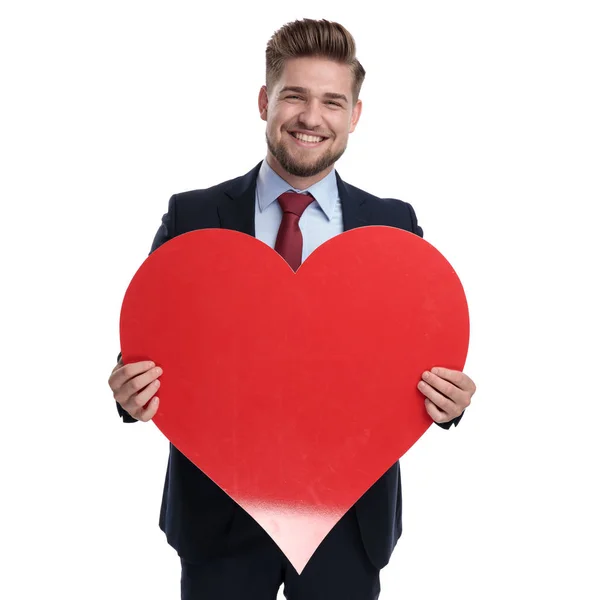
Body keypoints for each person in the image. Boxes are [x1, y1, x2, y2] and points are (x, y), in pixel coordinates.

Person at [107, 18, 476, 600]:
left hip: (348, 519)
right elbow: (151, 346)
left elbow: (415, 358)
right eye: (295, 96)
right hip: (219, 517)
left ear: (354, 115)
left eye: (332, 101)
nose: (312, 117)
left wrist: (449, 403)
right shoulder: (194, 216)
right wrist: (127, 393)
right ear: (264, 101)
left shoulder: (393, 226)